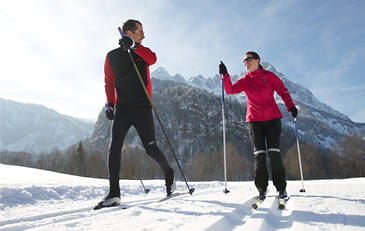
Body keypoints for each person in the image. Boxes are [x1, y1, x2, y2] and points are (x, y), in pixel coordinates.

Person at [96, 19, 175, 209]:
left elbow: (153, 59)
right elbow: (109, 81)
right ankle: (114, 193)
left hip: (142, 107)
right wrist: (110, 104)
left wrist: (134, 46)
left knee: (150, 148)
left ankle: (169, 173)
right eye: (141, 32)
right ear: (130, 33)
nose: (144, 35)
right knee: (114, 146)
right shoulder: (111, 56)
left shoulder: (142, 53)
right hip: (123, 108)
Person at [219, 51, 297, 200]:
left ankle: (281, 188)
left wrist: (291, 107)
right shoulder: (245, 80)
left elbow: (283, 91)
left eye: (248, 59)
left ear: (257, 60)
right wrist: (226, 75)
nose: (245, 62)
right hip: (254, 121)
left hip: (273, 118)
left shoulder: (270, 76)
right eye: (244, 61)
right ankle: (261, 189)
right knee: (259, 155)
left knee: (274, 153)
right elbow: (230, 90)